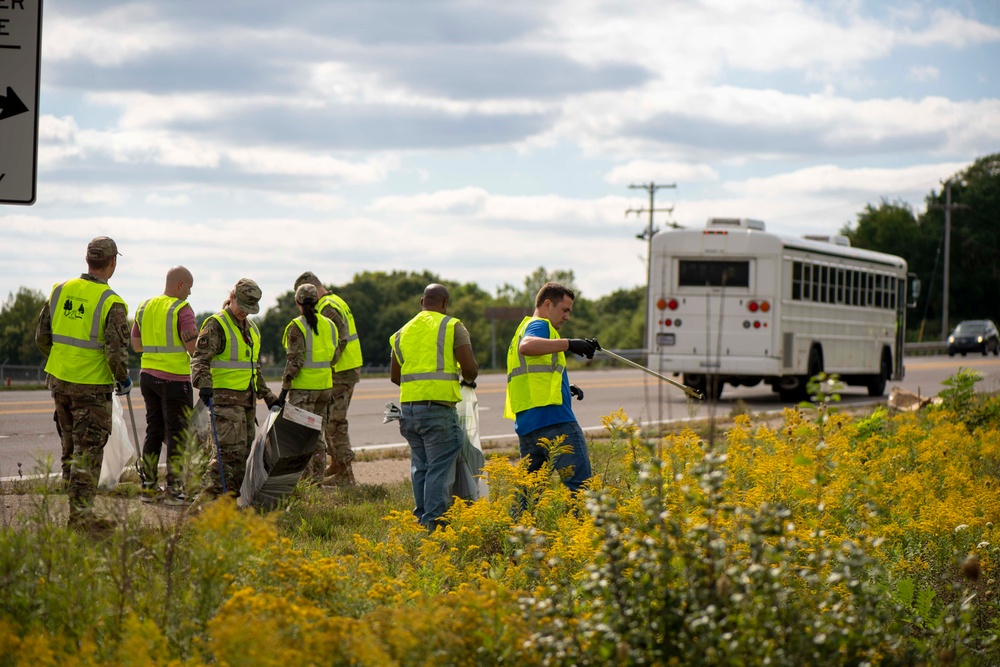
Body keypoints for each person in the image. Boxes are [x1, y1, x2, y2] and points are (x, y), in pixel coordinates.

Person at [34, 236, 130, 532]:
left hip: (60, 383)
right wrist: (123, 378)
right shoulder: (111, 302)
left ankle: (74, 509)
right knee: (88, 453)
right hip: (91, 388)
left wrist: (65, 360)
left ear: (88, 259)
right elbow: (115, 354)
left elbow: (42, 338)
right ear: (112, 263)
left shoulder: (60, 290)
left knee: (70, 447)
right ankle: (81, 519)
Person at [389, 284, 478, 530]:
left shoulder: (401, 333)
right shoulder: (452, 326)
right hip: (438, 411)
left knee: (421, 467)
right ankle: (435, 525)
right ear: (445, 303)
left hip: (408, 411)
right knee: (439, 469)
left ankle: (421, 520)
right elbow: (469, 368)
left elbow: (396, 377)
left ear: (421, 302)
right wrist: (467, 381)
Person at [504, 282, 600, 494]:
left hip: (528, 426)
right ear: (547, 304)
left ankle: (514, 527)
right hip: (555, 422)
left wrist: (565, 387)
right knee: (582, 488)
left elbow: (535, 375)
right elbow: (527, 346)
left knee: (527, 496)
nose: (567, 317)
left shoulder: (520, 329)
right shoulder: (540, 325)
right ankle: (586, 526)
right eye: (564, 310)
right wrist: (569, 344)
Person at [190, 278, 279, 498]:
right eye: (242, 307)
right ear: (232, 297)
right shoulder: (216, 325)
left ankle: (227, 511)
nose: (244, 313)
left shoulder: (252, 330)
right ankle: (199, 516)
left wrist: (268, 396)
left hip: (246, 407)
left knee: (243, 462)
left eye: (250, 309)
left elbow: (253, 369)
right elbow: (199, 360)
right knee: (225, 463)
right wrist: (204, 384)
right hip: (224, 406)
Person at [131, 266, 197, 504]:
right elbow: (194, 349)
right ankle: (174, 491)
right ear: (180, 284)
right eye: (189, 287)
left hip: (148, 377)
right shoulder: (182, 309)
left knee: (154, 430)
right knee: (177, 435)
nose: (189, 293)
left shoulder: (144, 306)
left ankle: (148, 487)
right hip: (175, 380)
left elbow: (136, 345)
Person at [293, 271, 363, 486]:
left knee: (334, 423)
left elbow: (339, 341)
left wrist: (327, 363)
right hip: (347, 368)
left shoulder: (326, 307)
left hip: (340, 371)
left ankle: (345, 474)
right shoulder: (336, 300)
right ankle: (336, 466)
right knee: (331, 421)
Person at [280, 283, 338, 480]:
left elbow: (294, 363)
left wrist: (283, 391)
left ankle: (303, 482)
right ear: (317, 301)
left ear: (297, 301)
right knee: (317, 435)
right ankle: (317, 481)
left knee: (300, 437)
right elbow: (336, 355)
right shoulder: (330, 325)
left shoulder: (297, 326)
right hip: (324, 388)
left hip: (303, 390)